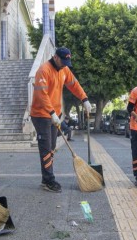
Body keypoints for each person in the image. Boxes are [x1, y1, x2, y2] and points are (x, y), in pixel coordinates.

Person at [30, 48, 91, 192]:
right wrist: (51, 113)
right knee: (46, 147)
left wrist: (84, 98)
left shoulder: (64, 70)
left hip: (54, 114)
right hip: (41, 114)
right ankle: (49, 180)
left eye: (66, 63)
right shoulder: (44, 71)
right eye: (62, 62)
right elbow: (41, 95)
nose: (64, 65)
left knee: (51, 148)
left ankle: (47, 177)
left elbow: (74, 84)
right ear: (55, 57)